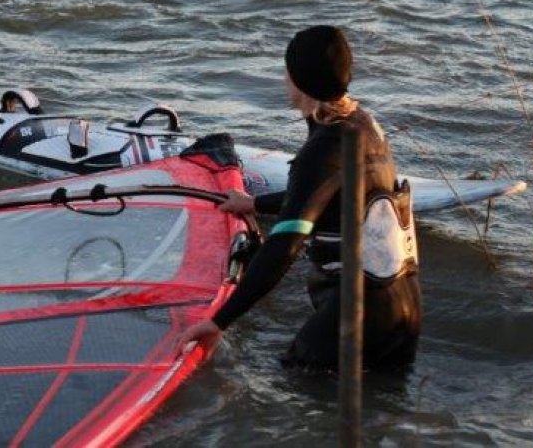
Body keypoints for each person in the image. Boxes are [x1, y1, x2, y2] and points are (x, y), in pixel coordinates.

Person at [178, 25, 421, 372]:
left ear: (298, 80)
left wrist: (219, 321)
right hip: (404, 307)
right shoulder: (364, 124)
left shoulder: (323, 149)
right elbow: (326, 195)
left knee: (290, 392)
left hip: (359, 316)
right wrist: (255, 204)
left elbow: (284, 246)